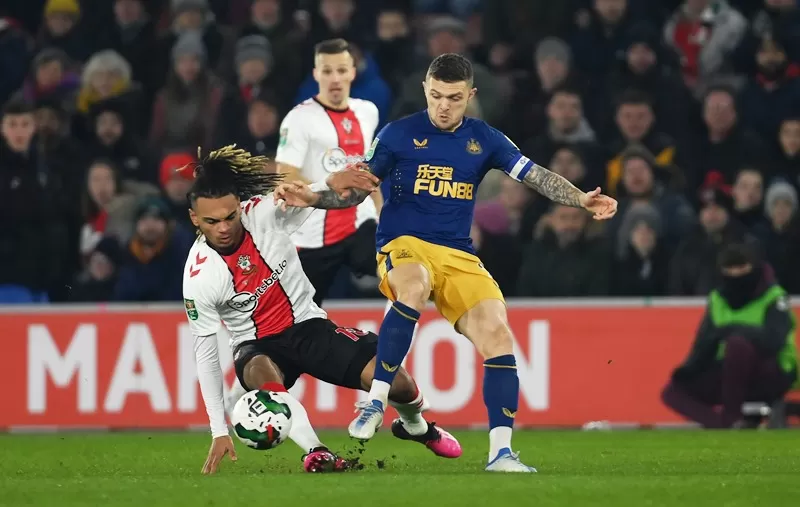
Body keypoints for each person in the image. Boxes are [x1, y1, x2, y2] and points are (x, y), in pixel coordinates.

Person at [273, 53, 618, 472]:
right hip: (404, 243)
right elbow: (356, 191)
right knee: (413, 285)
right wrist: (312, 196)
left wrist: (580, 199)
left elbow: (535, 175)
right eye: (436, 96)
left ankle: (501, 454)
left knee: (498, 335)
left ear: (470, 96)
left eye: (453, 98)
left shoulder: (485, 138)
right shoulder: (397, 134)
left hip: (457, 254)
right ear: (425, 89)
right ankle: (375, 401)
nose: (443, 106)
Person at [182, 146, 461, 476]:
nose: (224, 228)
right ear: (195, 218)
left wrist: (331, 181)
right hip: (255, 345)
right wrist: (218, 430)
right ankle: (317, 452)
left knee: (397, 383)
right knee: (262, 376)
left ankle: (416, 425)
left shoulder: (264, 214)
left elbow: (313, 195)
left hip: (308, 326)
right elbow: (206, 355)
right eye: (212, 221)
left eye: (230, 217)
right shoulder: (200, 276)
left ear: (239, 207)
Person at [275, 38, 381, 306]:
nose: (335, 78)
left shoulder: (368, 112)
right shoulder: (299, 118)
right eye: (327, 71)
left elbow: (369, 172)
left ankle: (396, 332)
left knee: (402, 274)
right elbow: (285, 177)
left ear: (353, 72)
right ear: (316, 74)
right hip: (313, 235)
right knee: (300, 316)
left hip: (361, 224)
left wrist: (383, 215)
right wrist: (331, 183)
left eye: (341, 70)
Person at [661, 242, 798, 429]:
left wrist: (731, 330)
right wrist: (688, 370)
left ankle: (732, 416)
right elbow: (704, 342)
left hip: (772, 372)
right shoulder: (717, 299)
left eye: (741, 267)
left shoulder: (774, 297)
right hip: (729, 373)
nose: (736, 274)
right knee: (672, 391)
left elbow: (773, 340)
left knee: (737, 345)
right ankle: (723, 424)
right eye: (730, 269)